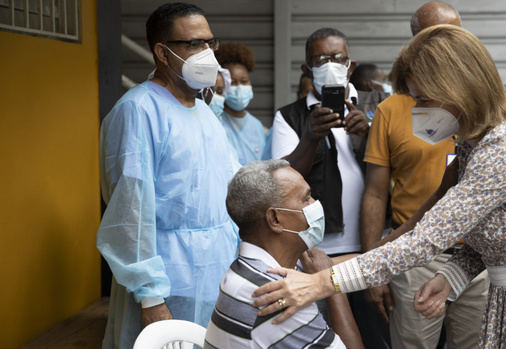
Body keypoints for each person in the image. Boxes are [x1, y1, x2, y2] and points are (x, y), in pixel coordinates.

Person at [252, 24, 506, 348]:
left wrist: (320, 284)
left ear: (458, 89)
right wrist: (452, 275)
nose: (417, 110)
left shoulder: (505, 148)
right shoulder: (473, 143)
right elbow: (499, 239)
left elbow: (424, 240)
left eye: (423, 100)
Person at [97, 3, 240, 348]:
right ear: (162, 52)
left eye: (210, 42)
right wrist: (151, 298)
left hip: (216, 273)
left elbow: (229, 190)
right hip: (166, 283)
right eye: (193, 44)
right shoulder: (138, 111)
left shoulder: (204, 112)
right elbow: (130, 213)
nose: (207, 53)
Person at [360, 2, 488, 348]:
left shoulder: (483, 107)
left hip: (475, 257)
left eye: (456, 37)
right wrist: (375, 267)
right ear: (415, 44)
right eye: (436, 38)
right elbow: (375, 193)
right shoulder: (392, 108)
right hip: (416, 258)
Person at [270, 27, 377, 347]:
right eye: (321, 60)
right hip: (318, 253)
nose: (331, 65)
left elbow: (396, 168)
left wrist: (370, 134)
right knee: (329, 336)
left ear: (351, 66)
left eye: (338, 58)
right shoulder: (289, 117)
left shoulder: (377, 107)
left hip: (371, 246)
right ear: (306, 69)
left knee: (374, 333)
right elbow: (282, 181)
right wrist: (311, 138)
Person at [204, 160, 363, 348]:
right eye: (306, 198)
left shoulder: (250, 270)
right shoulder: (276, 295)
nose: (315, 204)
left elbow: (362, 263)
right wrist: (333, 287)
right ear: (275, 219)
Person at [215, 41, 269, 165]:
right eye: (233, 83)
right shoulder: (217, 122)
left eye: (244, 81)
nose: (239, 87)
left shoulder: (258, 127)